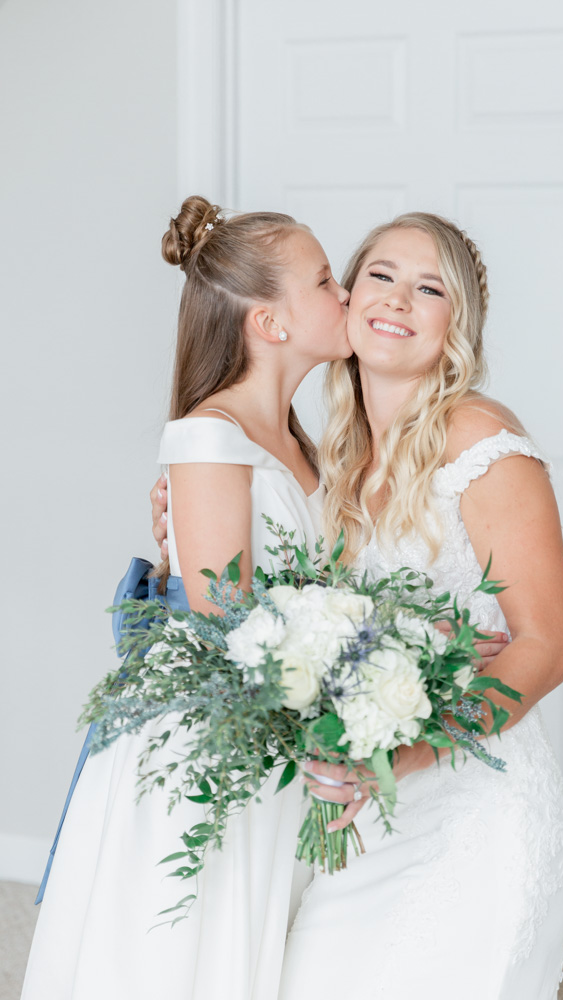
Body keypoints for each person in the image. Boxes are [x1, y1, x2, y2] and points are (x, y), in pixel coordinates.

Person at [154, 212, 563, 998]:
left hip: (470, 814)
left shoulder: (478, 440)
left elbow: (548, 645)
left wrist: (405, 755)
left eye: (430, 288)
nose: (398, 300)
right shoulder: (337, 461)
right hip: (365, 817)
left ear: (457, 324)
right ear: (344, 300)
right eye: (380, 275)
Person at [21, 196, 351, 1000]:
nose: (346, 296)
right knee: (196, 943)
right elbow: (222, 623)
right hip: (225, 728)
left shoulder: (301, 438)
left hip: (277, 711)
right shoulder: (210, 434)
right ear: (269, 324)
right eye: (324, 280)